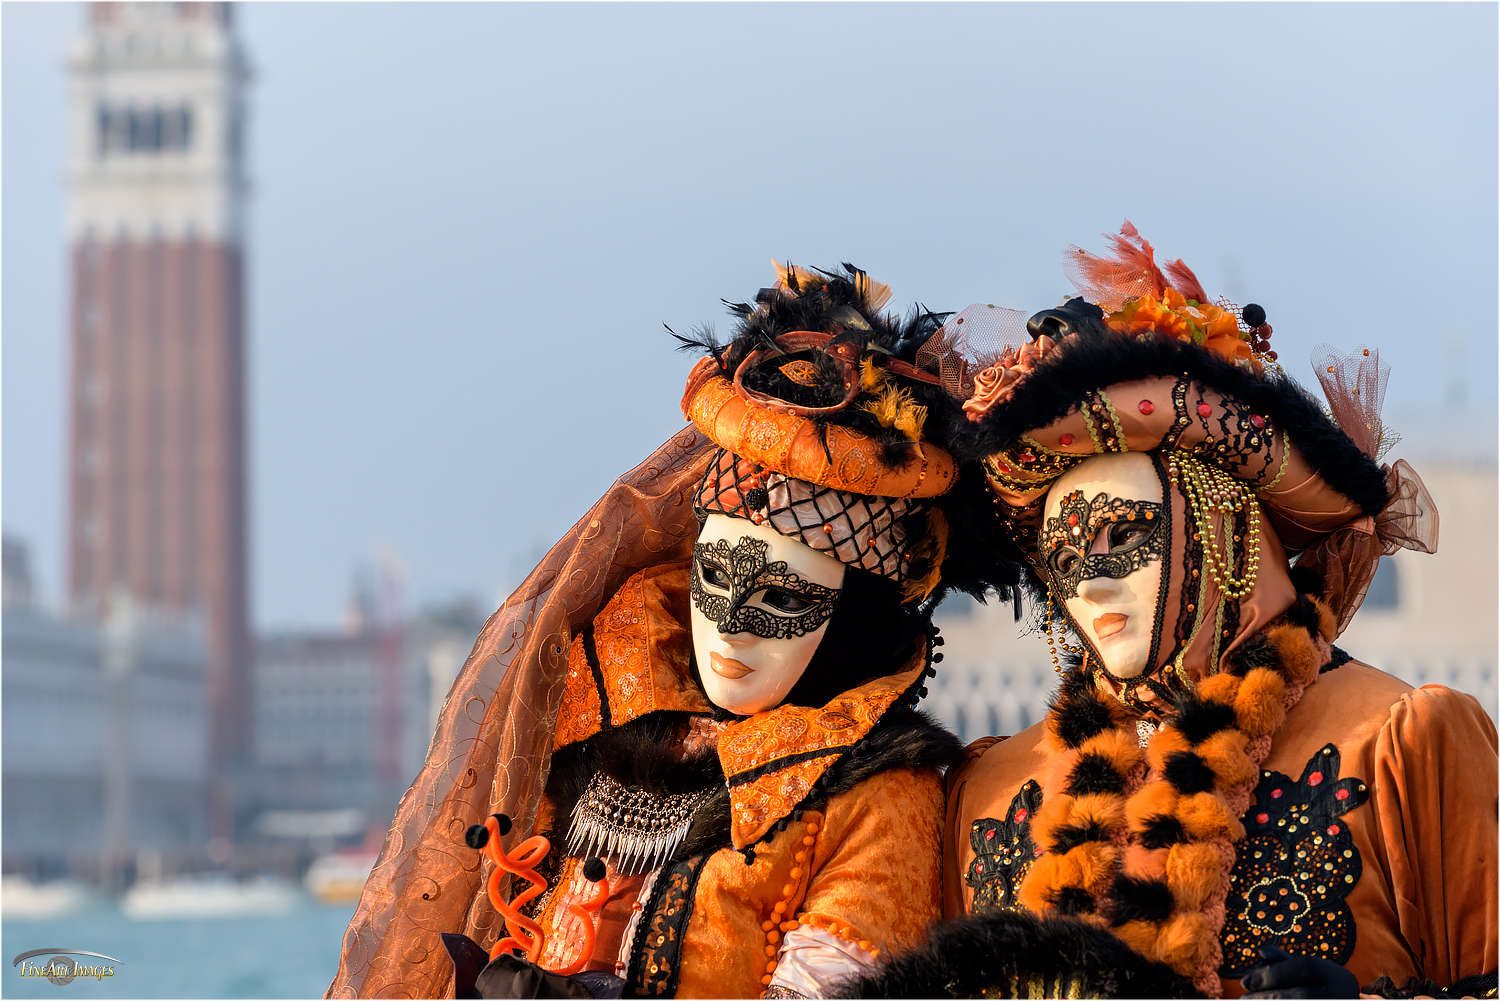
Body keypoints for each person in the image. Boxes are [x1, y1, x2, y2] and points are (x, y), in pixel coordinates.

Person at [326, 263, 1016, 999]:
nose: (731, 630)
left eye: (781, 596)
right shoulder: (604, 717)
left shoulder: (878, 795)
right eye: (714, 580)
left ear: (853, 613)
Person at [846, 224, 1498, 999]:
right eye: (1065, 555)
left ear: (1220, 521)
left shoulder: (1401, 740)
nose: (1088, 582)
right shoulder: (987, 790)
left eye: (1123, 533)